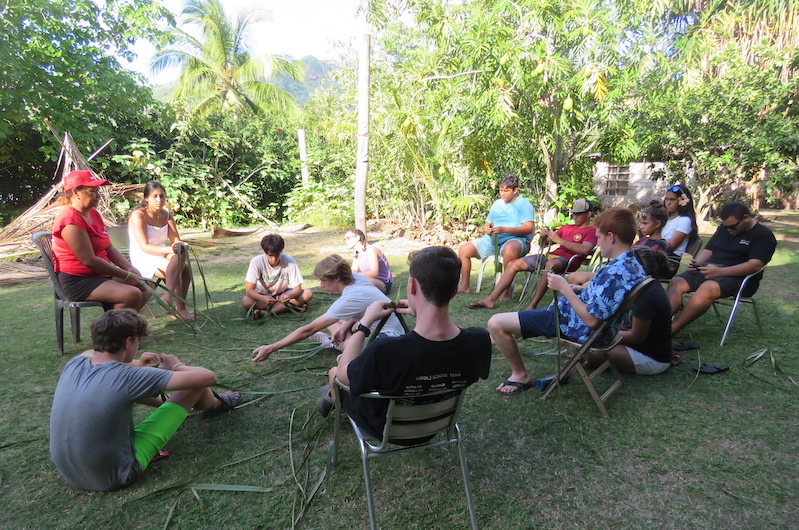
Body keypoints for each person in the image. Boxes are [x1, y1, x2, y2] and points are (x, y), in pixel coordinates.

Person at [49, 309, 243, 491]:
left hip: (72, 473)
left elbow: (114, 365)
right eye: (138, 342)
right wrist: (176, 365)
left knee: (127, 392)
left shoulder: (78, 361)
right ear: (128, 342)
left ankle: (198, 405)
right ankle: (214, 406)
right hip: (116, 474)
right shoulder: (127, 377)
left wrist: (140, 364)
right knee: (194, 387)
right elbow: (207, 377)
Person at [316, 246, 491, 440]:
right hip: (438, 424)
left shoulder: (386, 350)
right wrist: (420, 309)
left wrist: (364, 324)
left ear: (412, 286)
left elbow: (343, 374)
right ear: (454, 292)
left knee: (334, 373)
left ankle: (333, 398)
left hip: (386, 429)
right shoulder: (479, 340)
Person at [488, 207, 647, 394]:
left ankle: (520, 375)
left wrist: (563, 287)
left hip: (574, 325)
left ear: (611, 237)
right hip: (601, 330)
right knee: (514, 323)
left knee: (496, 322)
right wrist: (579, 289)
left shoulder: (614, 272)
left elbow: (592, 320)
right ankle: (491, 341)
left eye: (599, 237)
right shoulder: (632, 264)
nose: (597, 242)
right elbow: (608, 298)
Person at [251, 255, 404, 362]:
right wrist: (345, 326)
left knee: (350, 349)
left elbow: (308, 330)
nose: (321, 285)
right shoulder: (355, 278)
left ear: (336, 278)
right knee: (331, 321)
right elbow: (362, 306)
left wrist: (271, 348)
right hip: (384, 329)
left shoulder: (351, 296)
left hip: (387, 341)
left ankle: (330, 343)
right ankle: (338, 338)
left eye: (323, 281)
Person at [667, 202, 776, 337]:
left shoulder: (763, 235)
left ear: (746, 218)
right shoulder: (724, 228)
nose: (729, 230)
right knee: (677, 282)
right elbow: (709, 250)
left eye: (732, 227)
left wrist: (721, 272)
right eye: (726, 227)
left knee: (708, 287)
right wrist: (698, 262)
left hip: (741, 279)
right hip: (712, 270)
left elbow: (755, 265)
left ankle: (673, 329)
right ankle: (660, 323)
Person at [468, 198, 596, 310]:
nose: (575, 216)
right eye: (574, 213)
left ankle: (532, 305)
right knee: (514, 264)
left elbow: (585, 250)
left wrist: (560, 241)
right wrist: (543, 237)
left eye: (579, 214)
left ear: (589, 214)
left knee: (550, 265)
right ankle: (491, 299)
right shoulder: (567, 227)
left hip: (567, 261)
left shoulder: (591, 230)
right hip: (550, 256)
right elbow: (543, 245)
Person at [51, 170, 150, 311]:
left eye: (98, 191)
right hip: (78, 280)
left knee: (147, 286)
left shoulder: (93, 213)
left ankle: (124, 328)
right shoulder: (70, 219)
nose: (98, 195)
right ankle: (114, 331)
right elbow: (89, 260)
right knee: (131, 294)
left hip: (100, 274)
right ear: (76, 192)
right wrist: (126, 275)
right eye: (92, 191)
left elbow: (108, 247)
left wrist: (130, 268)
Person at [582, 246, 672, 375]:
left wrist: (602, 335)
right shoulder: (641, 286)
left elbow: (636, 336)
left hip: (652, 359)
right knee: (585, 342)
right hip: (635, 347)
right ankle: (591, 360)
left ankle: (591, 360)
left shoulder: (648, 295)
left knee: (588, 348)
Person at [457, 173, 535, 299]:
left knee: (510, 249)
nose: (502, 194)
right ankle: (465, 286)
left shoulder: (524, 204)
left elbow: (528, 227)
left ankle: (506, 292)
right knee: (464, 249)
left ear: (515, 190)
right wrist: (487, 228)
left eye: (506, 191)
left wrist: (505, 229)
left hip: (517, 241)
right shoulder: (497, 203)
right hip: (493, 240)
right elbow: (488, 222)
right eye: (501, 190)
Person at [128, 181, 194, 321]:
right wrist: (171, 249)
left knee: (182, 259)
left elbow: (176, 239)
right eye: (154, 196)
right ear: (146, 198)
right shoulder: (138, 215)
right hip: (143, 256)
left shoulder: (167, 215)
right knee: (183, 268)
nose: (159, 200)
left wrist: (180, 245)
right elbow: (144, 246)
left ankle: (174, 303)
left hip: (162, 253)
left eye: (162, 196)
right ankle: (171, 300)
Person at [568, 205, 667, 287]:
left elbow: (589, 311)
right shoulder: (643, 241)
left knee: (585, 285)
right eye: (640, 223)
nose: (640, 226)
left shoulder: (659, 244)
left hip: (632, 279)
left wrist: (564, 288)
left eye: (645, 223)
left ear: (611, 236)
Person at [242, 234, 314, 318]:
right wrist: (263, 298)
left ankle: (267, 313)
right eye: (270, 256)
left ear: (281, 251)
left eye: (277, 255)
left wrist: (289, 296)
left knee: (308, 293)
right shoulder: (256, 262)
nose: (274, 259)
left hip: (282, 295)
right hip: (263, 296)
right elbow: (249, 290)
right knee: (246, 301)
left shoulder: (289, 261)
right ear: (265, 252)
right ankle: (287, 307)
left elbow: (298, 289)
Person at [662, 184, 699, 277]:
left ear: (682, 201)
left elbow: (668, 247)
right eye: (666, 199)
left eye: (672, 200)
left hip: (668, 262)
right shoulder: (664, 218)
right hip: (656, 256)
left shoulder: (684, 221)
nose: (668, 203)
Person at [344, 228, 394, 294]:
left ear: (357, 238)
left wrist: (353, 276)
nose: (346, 241)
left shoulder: (371, 250)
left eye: (348, 238)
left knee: (358, 283)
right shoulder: (357, 254)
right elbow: (354, 269)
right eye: (345, 239)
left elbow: (374, 273)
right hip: (368, 281)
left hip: (383, 283)